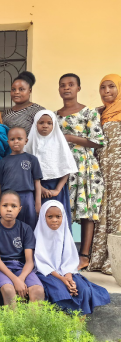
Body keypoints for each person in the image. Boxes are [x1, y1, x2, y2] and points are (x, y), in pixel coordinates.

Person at [56, 73, 105, 270]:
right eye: (63, 85)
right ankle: (64, 252)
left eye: (71, 84)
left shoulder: (88, 113)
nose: (66, 88)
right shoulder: (54, 116)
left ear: (78, 88)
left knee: (86, 210)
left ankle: (84, 255)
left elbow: (98, 141)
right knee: (63, 209)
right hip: (62, 167)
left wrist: (70, 138)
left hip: (84, 165)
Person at [35, 201, 110, 314]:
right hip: (48, 274)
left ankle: (80, 321)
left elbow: (69, 259)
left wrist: (68, 277)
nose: (54, 220)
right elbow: (41, 264)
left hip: (66, 271)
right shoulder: (38, 236)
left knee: (84, 290)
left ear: (63, 217)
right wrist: (63, 279)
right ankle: (65, 322)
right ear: (43, 217)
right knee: (60, 292)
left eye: (58, 216)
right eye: (50, 217)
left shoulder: (65, 234)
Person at [0, 191, 45, 306]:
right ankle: (13, 319)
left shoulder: (26, 229)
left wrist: (21, 278)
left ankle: (33, 319)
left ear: (19, 209)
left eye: (13, 206)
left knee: (38, 290)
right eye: (5, 205)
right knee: (9, 290)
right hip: (1, 267)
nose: (9, 209)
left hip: (21, 266)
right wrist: (15, 280)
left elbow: (29, 261)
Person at [25, 110, 77, 230]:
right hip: (36, 188)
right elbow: (26, 170)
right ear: (35, 124)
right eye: (41, 123)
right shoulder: (30, 143)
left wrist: (57, 190)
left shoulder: (60, 143)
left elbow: (67, 168)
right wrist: (41, 188)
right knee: (39, 220)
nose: (45, 126)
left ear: (54, 125)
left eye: (49, 123)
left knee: (57, 221)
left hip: (57, 189)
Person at [91, 74, 121, 275]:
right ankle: (102, 258)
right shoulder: (100, 114)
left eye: (111, 86)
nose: (107, 91)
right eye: (103, 87)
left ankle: (116, 260)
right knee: (104, 209)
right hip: (103, 168)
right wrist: (96, 113)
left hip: (118, 169)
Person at [0, 127, 43, 230]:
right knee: (9, 226)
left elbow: (37, 182)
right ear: (8, 142)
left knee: (29, 225)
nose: (16, 141)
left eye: (19, 139)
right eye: (12, 139)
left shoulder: (32, 159)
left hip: (27, 198)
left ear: (26, 141)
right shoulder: (3, 162)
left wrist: (38, 203)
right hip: (8, 198)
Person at [2, 71, 45, 135]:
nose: (16, 92)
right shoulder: (6, 112)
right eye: (13, 89)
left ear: (30, 91)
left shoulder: (38, 111)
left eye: (21, 89)